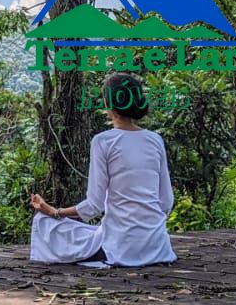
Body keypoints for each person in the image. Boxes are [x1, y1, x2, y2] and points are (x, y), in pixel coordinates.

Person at [29, 72, 176, 267]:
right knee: (92, 231)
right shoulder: (155, 140)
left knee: (44, 223)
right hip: (158, 247)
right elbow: (166, 202)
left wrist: (54, 211)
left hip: (120, 248)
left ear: (109, 104)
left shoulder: (103, 141)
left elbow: (94, 206)